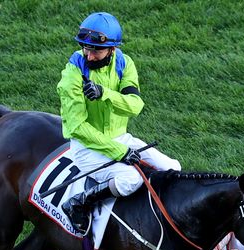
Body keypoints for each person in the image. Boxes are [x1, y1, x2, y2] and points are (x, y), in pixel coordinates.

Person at [57, 12, 181, 234]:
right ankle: (78, 203)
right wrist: (120, 152)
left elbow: (135, 106)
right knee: (131, 178)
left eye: (96, 50)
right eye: (85, 48)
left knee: (173, 167)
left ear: (112, 49)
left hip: (120, 138)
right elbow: (77, 128)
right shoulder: (72, 75)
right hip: (86, 148)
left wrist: (104, 93)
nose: (89, 56)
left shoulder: (124, 63)